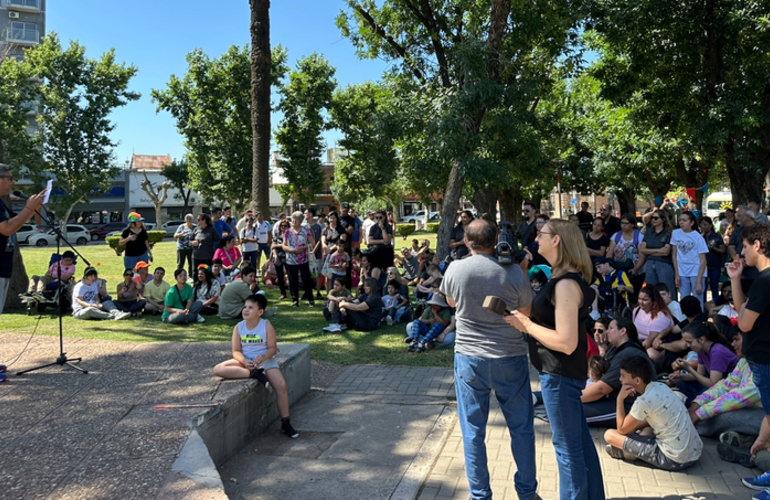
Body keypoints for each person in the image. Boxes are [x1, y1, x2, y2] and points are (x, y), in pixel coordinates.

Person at [440, 219, 538, 500]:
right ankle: (527, 492)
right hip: (509, 356)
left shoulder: (455, 268)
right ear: (496, 241)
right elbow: (526, 312)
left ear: (466, 242)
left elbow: (450, 302)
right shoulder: (513, 271)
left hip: (469, 358)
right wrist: (522, 271)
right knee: (521, 429)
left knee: (472, 430)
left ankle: (479, 495)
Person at [508, 218, 604, 500]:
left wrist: (526, 326)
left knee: (568, 449)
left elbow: (566, 342)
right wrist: (522, 272)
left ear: (557, 240)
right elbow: (534, 311)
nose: (536, 238)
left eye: (541, 233)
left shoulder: (565, 284)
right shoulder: (560, 279)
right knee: (580, 444)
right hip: (561, 374)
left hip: (560, 376)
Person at [213, 294, 299, 439]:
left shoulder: (266, 325)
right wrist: (244, 360)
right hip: (246, 361)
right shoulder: (238, 327)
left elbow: (272, 348)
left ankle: (286, 422)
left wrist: (264, 357)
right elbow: (236, 351)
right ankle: (255, 374)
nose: (245, 310)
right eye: (245, 307)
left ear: (260, 312)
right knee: (218, 369)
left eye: (250, 308)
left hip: (265, 361)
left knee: (281, 386)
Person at [603, 357, 702, 471]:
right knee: (646, 427)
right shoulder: (660, 386)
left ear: (637, 380)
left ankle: (632, 453)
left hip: (673, 459)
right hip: (694, 452)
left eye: (623, 376)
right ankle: (634, 449)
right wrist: (633, 428)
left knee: (609, 435)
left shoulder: (644, 401)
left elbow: (621, 430)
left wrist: (619, 399)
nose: (620, 379)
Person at [726, 223, 770, 462]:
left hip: (764, 358)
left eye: (744, 246)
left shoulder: (764, 281)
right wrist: (735, 279)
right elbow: (742, 309)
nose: (741, 252)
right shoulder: (762, 280)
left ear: (758, 245)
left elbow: (743, 324)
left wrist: (743, 309)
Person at [690, 330, 764, 440]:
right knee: (709, 414)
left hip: (764, 416)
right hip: (752, 411)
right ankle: (746, 438)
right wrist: (698, 402)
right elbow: (725, 386)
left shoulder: (765, 365)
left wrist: (700, 413)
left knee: (717, 418)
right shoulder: (745, 361)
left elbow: (741, 395)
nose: (733, 344)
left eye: (736, 339)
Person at [582, 317, 656, 426]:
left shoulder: (628, 353)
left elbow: (601, 389)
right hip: (616, 400)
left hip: (631, 408)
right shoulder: (616, 349)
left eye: (611, 328)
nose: (607, 332)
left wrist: (571, 398)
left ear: (623, 331)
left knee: (570, 412)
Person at [669, 320, 739, 406]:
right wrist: (680, 376)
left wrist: (689, 368)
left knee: (701, 395)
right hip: (714, 384)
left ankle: (693, 401)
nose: (687, 345)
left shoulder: (717, 352)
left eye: (690, 342)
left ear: (701, 339)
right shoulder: (701, 350)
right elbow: (699, 375)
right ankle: (693, 400)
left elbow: (713, 384)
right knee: (680, 382)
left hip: (727, 387)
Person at [606, 213, 645, 304]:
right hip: (619, 269)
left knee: (635, 296)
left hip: (635, 271)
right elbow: (610, 252)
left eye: (626, 223)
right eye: (622, 223)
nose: (623, 225)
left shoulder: (639, 237)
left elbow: (642, 255)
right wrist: (608, 264)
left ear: (633, 224)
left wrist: (636, 269)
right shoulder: (616, 236)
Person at [671, 211, 709, 307]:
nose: (681, 222)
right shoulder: (675, 233)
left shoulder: (698, 237)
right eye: (680, 220)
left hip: (696, 270)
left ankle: (699, 316)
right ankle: (684, 316)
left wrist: (698, 281)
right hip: (682, 270)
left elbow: (703, 261)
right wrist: (677, 274)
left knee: (698, 298)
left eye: (684, 220)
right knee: (684, 298)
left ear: (691, 223)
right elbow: (674, 255)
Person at [639, 209, 676, 297]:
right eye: (652, 218)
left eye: (656, 218)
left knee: (667, 290)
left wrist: (649, 251)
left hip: (664, 263)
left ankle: (671, 306)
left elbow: (666, 252)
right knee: (652, 291)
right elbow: (642, 249)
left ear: (663, 219)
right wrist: (658, 250)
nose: (653, 220)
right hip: (650, 263)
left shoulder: (668, 233)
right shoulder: (649, 232)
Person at [283, 211, 316, 308]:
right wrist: (291, 250)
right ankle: (295, 300)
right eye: (293, 218)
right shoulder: (287, 232)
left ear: (300, 220)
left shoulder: (306, 231)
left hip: (303, 260)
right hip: (290, 260)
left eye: (296, 219)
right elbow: (284, 245)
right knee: (292, 280)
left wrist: (303, 248)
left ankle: (310, 299)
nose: (294, 221)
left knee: (306, 279)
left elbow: (312, 243)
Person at [633, 285, 675, 353]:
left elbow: (651, 339)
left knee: (650, 353)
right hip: (637, 342)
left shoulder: (662, 315)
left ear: (654, 301)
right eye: (639, 298)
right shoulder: (637, 310)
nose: (641, 302)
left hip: (656, 345)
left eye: (645, 300)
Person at [729, 205, 758, 293]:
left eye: (739, 216)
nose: (736, 218)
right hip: (741, 273)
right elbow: (731, 246)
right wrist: (737, 259)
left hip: (757, 273)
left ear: (748, 217)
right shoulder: (737, 231)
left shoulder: (760, 229)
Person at [701, 216, 727, 304]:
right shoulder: (699, 236)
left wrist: (713, 248)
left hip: (714, 264)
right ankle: (703, 305)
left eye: (705, 225)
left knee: (714, 286)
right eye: (701, 225)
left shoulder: (717, 236)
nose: (703, 227)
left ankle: (715, 304)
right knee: (702, 287)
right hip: (702, 266)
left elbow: (723, 250)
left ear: (710, 225)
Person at [303, 208, 325, 300]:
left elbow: (320, 240)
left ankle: (318, 292)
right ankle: (307, 292)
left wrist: (314, 250)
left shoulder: (319, 226)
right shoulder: (304, 227)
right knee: (307, 274)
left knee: (318, 273)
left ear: (311, 214)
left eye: (306, 213)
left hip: (317, 254)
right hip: (306, 254)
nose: (304, 215)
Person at [367, 209, 393, 274]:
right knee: (376, 270)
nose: (378, 219)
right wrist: (381, 241)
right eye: (377, 217)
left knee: (387, 270)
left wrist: (383, 228)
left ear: (384, 217)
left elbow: (387, 241)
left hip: (386, 251)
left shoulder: (388, 227)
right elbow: (370, 241)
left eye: (380, 217)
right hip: (376, 251)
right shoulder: (373, 227)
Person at [338, 203, 357, 288]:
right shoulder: (336, 218)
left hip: (347, 245)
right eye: (343, 210)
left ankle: (348, 288)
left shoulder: (351, 219)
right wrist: (344, 229)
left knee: (347, 267)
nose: (344, 212)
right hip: (337, 245)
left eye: (346, 210)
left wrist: (340, 228)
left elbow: (350, 231)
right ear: (340, 209)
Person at [271, 220, 290, 300]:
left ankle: (294, 293)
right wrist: (276, 256)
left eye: (285, 226)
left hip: (288, 258)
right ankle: (283, 293)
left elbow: (289, 245)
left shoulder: (290, 235)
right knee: (280, 276)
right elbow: (273, 246)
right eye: (282, 226)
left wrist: (279, 245)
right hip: (278, 257)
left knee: (291, 276)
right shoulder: (277, 235)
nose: (283, 227)